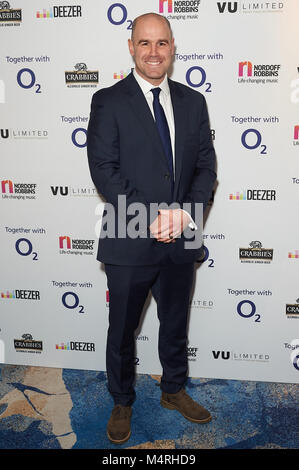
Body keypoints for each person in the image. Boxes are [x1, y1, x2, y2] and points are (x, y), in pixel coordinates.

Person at [87, 12, 217, 444]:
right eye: (144, 43)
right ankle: (122, 399)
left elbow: (205, 167)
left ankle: (173, 390)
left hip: (182, 234)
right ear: (131, 47)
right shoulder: (108, 100)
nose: (154, 52)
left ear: (173, 46)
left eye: (161, 43)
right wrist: (156, 215)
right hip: (129, 236)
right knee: (122, 328)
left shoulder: (193, 101)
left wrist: (184, 214)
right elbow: (104, 171)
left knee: (176, 321)